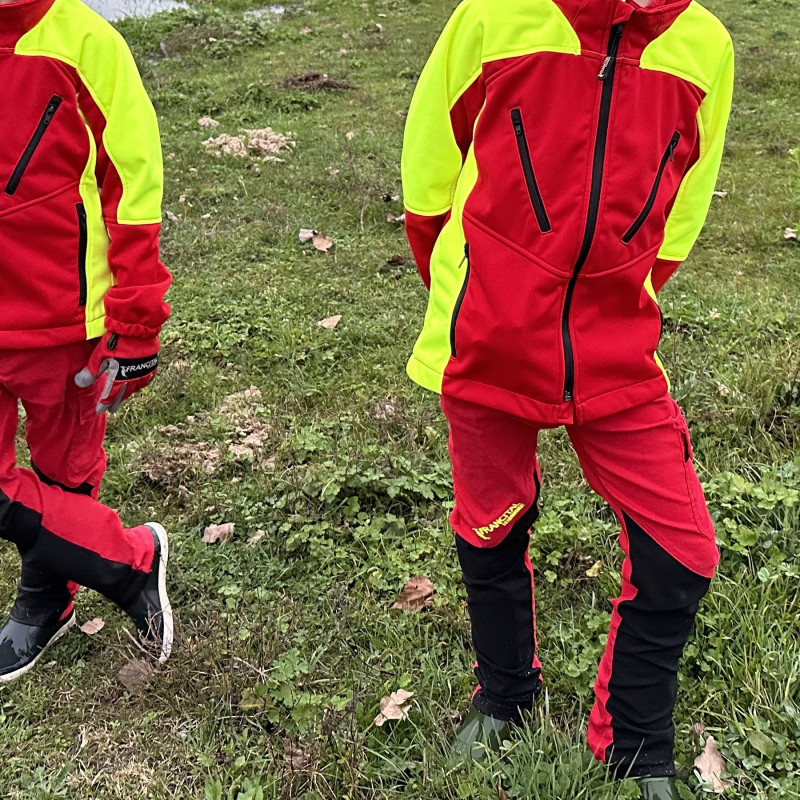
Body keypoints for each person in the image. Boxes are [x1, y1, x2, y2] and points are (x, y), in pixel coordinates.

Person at [402, 0, 733, 795]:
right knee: (490, 521)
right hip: (486, 336)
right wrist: (471, 291)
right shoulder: (494, 15)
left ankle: (635, 743)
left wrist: (619, 298)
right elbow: (429, 168)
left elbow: (684, 204)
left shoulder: (706, 46)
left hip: (616, 346)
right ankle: (505, 695)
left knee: (684, 550)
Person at [0, 0, 173, 680]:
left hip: (62, 322)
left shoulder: (84, 41)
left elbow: (133, 184)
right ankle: (129, 561)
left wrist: (137, 319)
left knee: (63, 476)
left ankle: (47, 600)